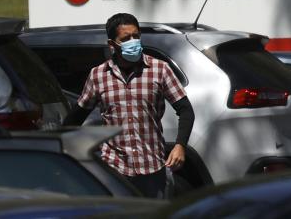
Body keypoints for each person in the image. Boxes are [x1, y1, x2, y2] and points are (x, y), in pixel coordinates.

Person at [63, 13, 195, 199]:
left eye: (136, 36)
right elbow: (76, 117)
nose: (133, 42)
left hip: (152, 168)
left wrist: (180, 145)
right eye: (125, 39)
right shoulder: (98, 76)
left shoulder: (159, 69)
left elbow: (185, 110)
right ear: (112, 45)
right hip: (115, 170)